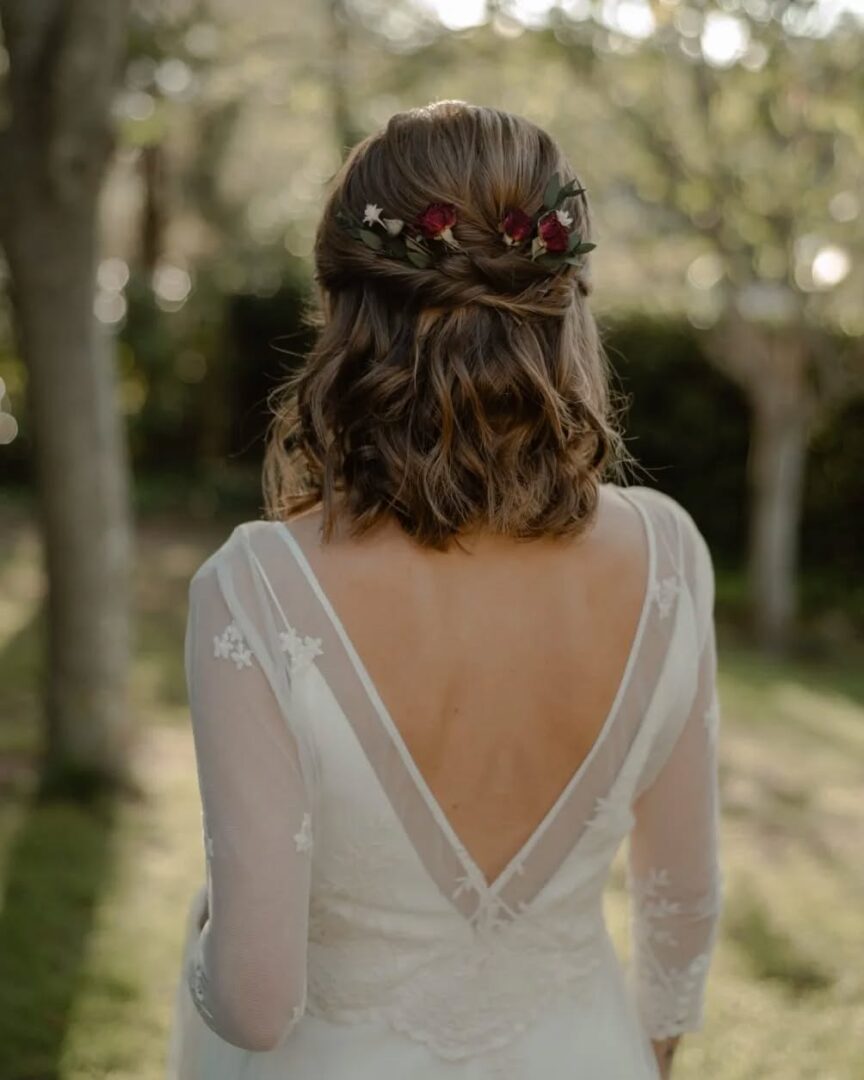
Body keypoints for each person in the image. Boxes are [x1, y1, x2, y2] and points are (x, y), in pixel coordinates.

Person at [166, 100, 722, 1080]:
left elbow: (256, 1003)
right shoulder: (669, 559)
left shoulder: (255, 590)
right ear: (566, 302)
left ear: (343, 313)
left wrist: (201, 946)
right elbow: (682, 903)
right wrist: (639, 1057)